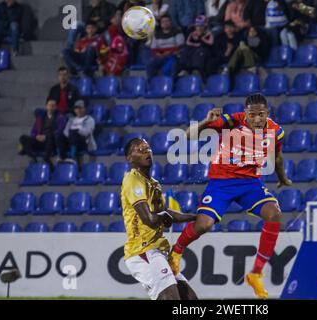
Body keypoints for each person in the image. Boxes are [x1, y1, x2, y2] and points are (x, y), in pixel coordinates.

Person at [169, 93, 293, 299]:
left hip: (250, 184)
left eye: (261, 115)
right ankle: (177, 250)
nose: (256, 120)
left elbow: (277, 157)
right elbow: (188, 135)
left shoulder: (276, 132)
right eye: (252, 115)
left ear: (268, 113)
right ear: (246, 114)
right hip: (221, 182)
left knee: (274, 213)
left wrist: (282, 178)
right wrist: (206, 122)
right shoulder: (231, 121)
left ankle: (256, 274)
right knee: (204, 225)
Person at [122, 137, 198, 300]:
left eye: (147, 148)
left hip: (158, 251)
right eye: (139, 149)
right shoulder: (132, 179)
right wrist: (164, 216)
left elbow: (166, 212)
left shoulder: (154, 183)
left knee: (190, 299)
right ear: (129, 159)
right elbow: (149, 219)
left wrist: (195, 217)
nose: (146, 151)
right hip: (142, 251)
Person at [19, 100, 66, 171]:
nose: (51, 107)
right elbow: (34, 131)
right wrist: (36, 136)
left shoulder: (60, 118)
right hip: (40, 140)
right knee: (23, 138)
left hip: (51, 141)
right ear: (46, 106)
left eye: (53, 106)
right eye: (50, 105)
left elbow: (59, 131)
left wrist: (46, 136)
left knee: (51, 138)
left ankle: (47, 158)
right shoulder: (40, 118)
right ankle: (32, 155)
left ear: (56, 107)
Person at [57, 100, 96, 166]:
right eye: (77, 108)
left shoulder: (89, 119)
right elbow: (66, 132)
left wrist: (77, 130)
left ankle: (72, 157)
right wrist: (70, 134)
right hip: (71, 140)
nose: (78, 110)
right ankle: (61, 156)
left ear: (85, 109)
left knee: (73, 132)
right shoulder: (71, 120)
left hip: (84, 142)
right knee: (60, 135)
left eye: (81, 108)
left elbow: (86, 132)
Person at [147, 14, 184, 78]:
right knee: (150, 64)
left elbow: (180, 46)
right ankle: (151, 83)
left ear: (171, 22)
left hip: (173, 55)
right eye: (163, 22)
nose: (165, 23)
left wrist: (169, 52)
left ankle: (170, 82)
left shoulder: (177, 32)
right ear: (160, 24)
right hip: (161, 56)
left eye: (167, 21)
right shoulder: (157, 34)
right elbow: (153, 48)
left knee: (171, 63)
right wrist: (158, 54)